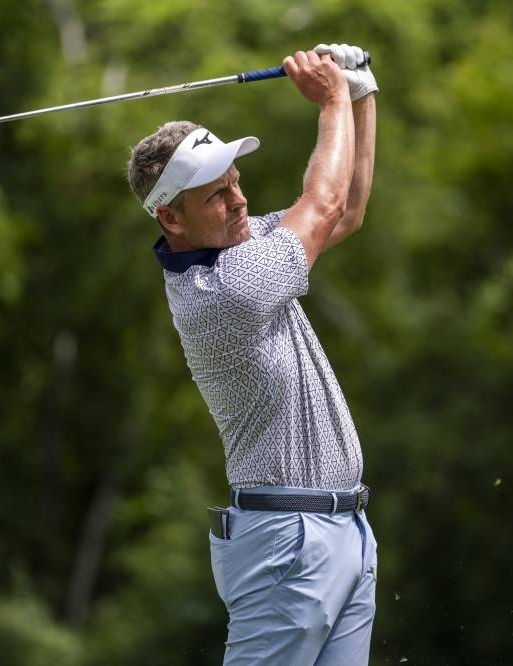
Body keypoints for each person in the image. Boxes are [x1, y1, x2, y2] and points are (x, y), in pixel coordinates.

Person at [126, 43, 378, 665]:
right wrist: (331, 101)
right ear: (172, 219)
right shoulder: (223, 290)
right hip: (286, 543)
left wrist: (360, 94)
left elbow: (345, 211)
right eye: (217, 195)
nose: (239, 200)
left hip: (345, 529)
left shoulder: (244, 245)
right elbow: (320, 206)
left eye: (236, 181)